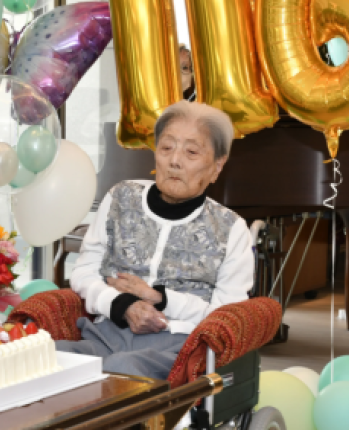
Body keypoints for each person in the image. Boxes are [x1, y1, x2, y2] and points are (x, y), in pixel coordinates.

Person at [56, 101, 253, 379]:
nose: (175, 160)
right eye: (167, 147)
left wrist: (160, 299)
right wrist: (123, 306)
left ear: (217, 167)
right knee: (43, 360)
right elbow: (84, 272)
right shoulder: (120, 199)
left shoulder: (231, 229)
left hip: (176, 347)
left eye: (191, 152)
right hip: (104, 335)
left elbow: (228, 316)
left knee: (121, 371)